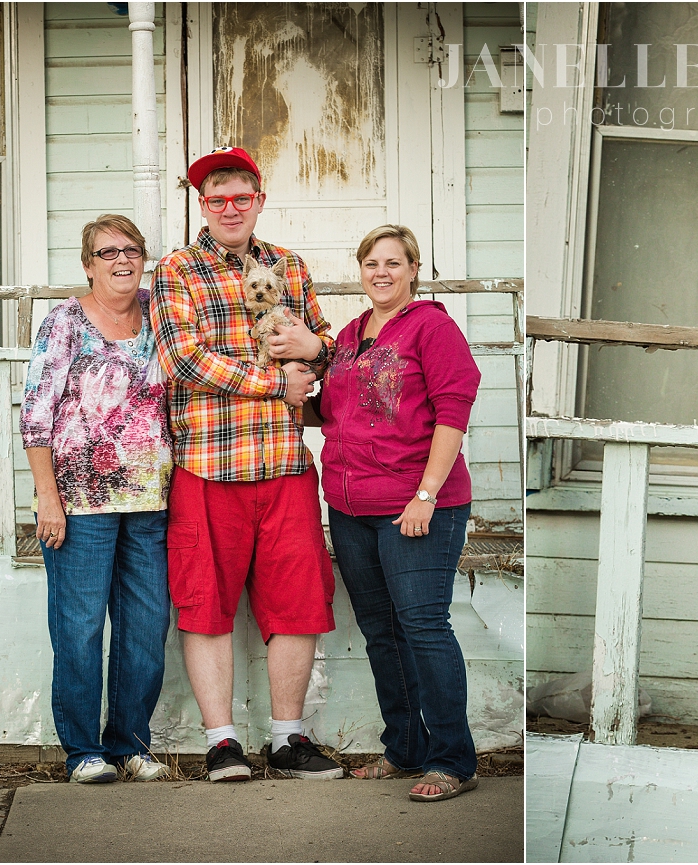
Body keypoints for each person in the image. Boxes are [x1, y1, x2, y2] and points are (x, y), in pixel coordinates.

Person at [150, 146, 343, 782]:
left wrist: (313, 351)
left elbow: (328, 353)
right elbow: (184, 359)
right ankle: (222, 742)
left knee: (297, 600)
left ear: (258, 200)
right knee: (205, 602)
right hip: (207, 462)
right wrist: (274, 384)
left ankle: (288, 739)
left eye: (240, 198)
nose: (229, 208)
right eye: (215, 199)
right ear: (200, 205)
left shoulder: (288, 265)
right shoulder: (177, 270)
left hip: (284, 462)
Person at [320, 225, 483, 802]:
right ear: (359, 270)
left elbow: (452, 412)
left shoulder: (432, 327)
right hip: (349, 506)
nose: (381, 272)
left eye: (393, 262)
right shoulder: (350, 335)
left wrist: (427, 494)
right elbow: (328, 412)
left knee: (423, 626)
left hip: (415, 506)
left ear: (414, 268)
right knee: (380, 632)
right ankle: (405, 747)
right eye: (371, 262)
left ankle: (451, 759)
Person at [20, 214, 173, 784]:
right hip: (79, 503)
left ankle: (130, 743)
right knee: (80, 627)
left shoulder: (162, 313)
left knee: (146, 626)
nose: (121, 261)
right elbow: (36, 415)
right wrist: (47, 497)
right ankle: (84, 749)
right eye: (106, 253)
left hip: (151, 500)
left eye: (131, 250)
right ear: (88, 265)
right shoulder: (64, 320)